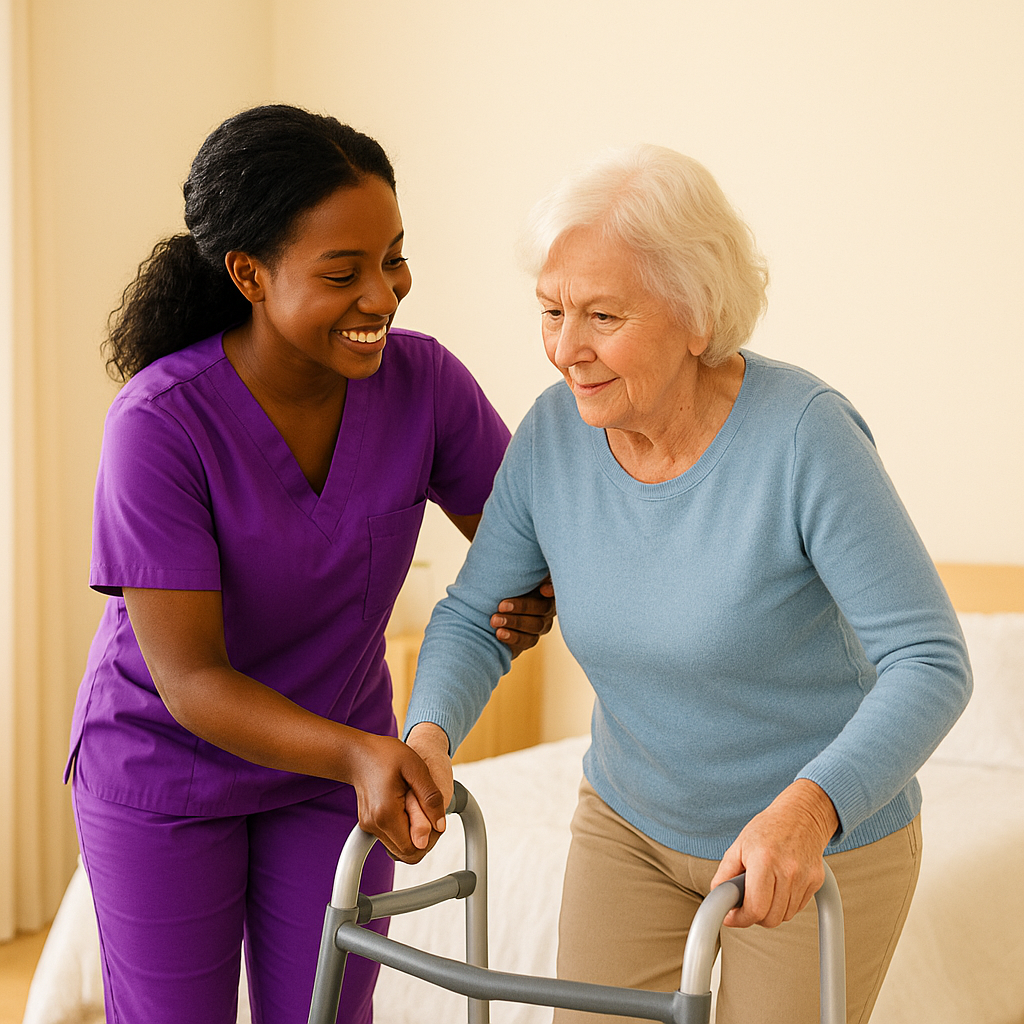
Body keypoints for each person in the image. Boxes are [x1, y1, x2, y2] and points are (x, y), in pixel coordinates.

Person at [403, 145, 972, 1024]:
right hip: (629, 826)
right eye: (551, 311)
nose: (566, 349)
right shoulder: (554, 436)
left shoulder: (803, 438)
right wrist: (431, 733)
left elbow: (930, 661)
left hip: (808, 845)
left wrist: (812, 812)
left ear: (698, 315)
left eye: (602, 315)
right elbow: (478, 616)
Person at [64, 104, 553, 1024]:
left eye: (393, 258)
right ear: (249, 273)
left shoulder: (425, 386)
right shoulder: (159, 423)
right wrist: (358, 752)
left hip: (331, 773)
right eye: (343, 272)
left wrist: (526, 593)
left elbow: (528, 538)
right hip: (171, 765)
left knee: (325, 1015)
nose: (384, 293)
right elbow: (192, 678)